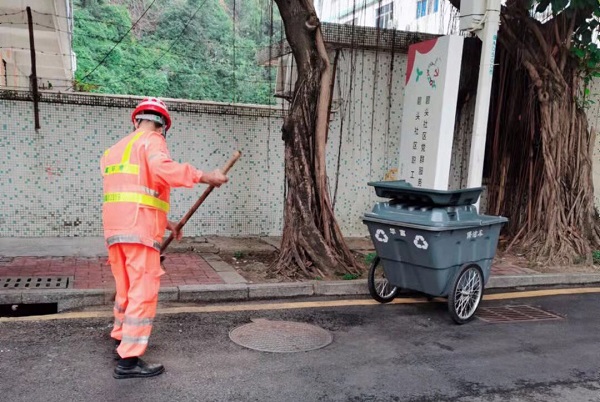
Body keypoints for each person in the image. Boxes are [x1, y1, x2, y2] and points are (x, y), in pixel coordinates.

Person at [101, 97, 228, 379]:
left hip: (116, 230)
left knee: (125, 290)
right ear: (163, 126)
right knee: (142, 292)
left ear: (136, 120)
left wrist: (166, 223)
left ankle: (121, 339)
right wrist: (206, 176)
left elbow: (133, 193)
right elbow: (163, 170)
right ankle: (129, 361)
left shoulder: (115, 149)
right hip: (139, 231)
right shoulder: (152, 141)